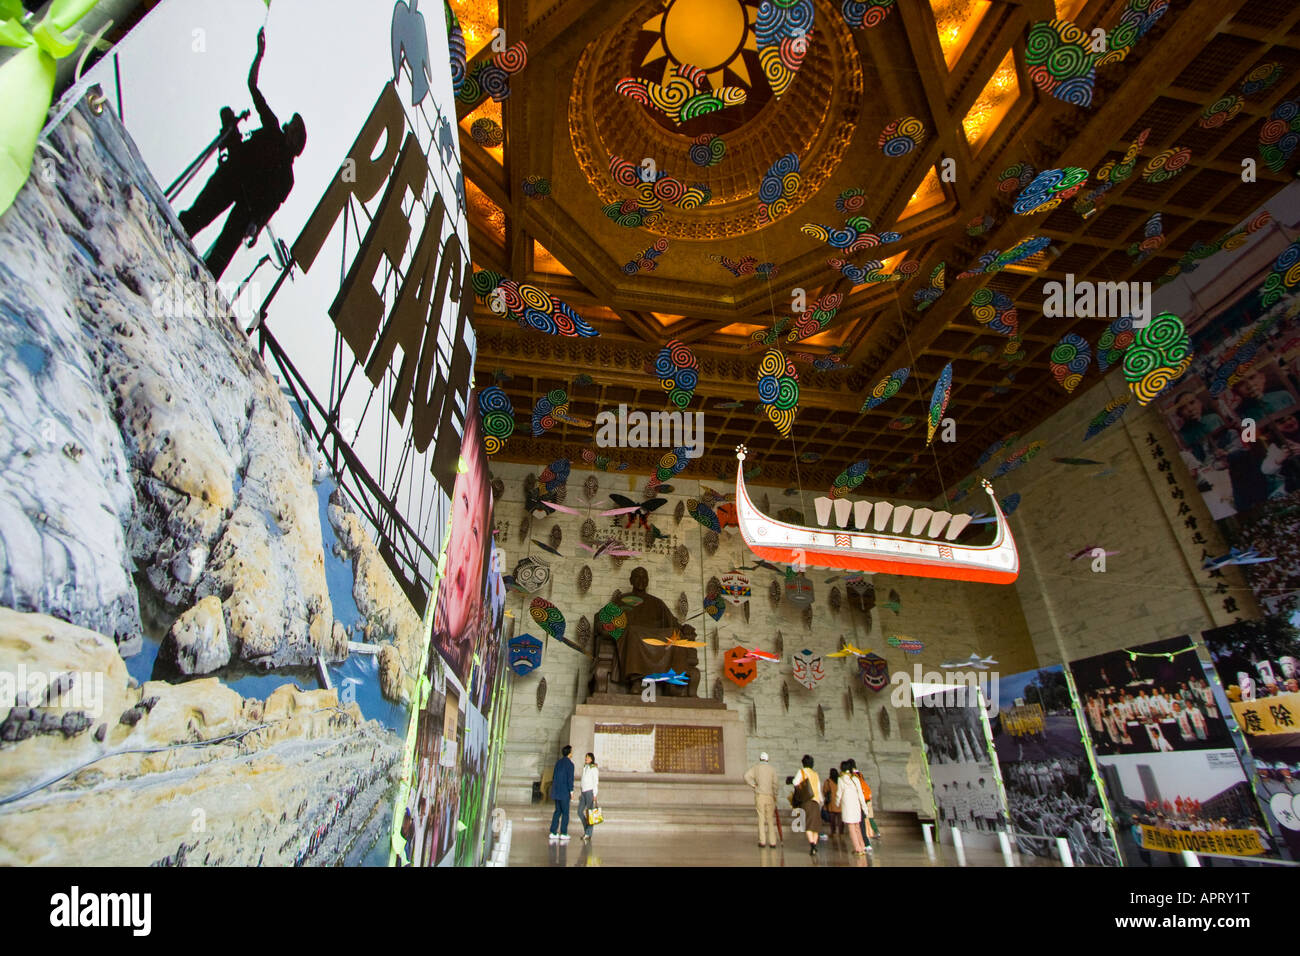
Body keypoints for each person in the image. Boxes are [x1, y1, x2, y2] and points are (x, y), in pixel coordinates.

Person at [178, 27, 307, 279]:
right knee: (195, 218)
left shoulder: (287, 178)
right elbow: (252, 86)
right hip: (232, 178)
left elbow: (271, 207)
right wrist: (259, 56)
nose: (288, 126)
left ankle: (198, 287)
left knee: (219, 257)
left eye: (293, 127)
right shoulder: (272, 127)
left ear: (295, 138)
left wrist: (255, 227)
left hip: (246, 208)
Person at [744, 751, 779, 848]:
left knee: (761, 818)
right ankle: (773, 842)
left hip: (760, 795)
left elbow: (746, 776)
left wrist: (753, 785)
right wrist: (775, 794)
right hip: (770, 796)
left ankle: (762, 841)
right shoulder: (772, 769)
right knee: (770, 819)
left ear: (760, 759)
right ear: (767, 759)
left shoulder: (756, 768)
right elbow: (775, 784)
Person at [791, 755, 822, 856]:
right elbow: (818, 788)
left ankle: (812, 845)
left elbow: (795, 782)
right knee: (815, 826)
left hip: (807, 801)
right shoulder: (815, 774)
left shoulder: (802, 772)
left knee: (808, 824)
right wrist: (821, 801)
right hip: (816, 801)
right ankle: (815, 845)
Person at [838, 761, 871, 856]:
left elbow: (839, 794)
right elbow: (860, 794)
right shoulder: (855, 779)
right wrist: (864, 807)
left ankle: (857, 848)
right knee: (857, 827)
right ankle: (862, 846)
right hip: (857, 807)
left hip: (848, 808)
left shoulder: (841, 780)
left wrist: (837, 803)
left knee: (851, 827)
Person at [549, 745, 575, 843]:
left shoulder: (558, 763)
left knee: (557, 812)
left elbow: (554, 777)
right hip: (564, 792)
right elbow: (570, 779)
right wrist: (571, 791)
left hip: (557, 791)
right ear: (569, 753)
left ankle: (553, 832)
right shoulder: (570, 764)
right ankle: (563, 833)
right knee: (565, 813)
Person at [578, 753, 600, 842]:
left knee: (590, 814)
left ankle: (588, 833)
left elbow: (595, 782)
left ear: (592, 759)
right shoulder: (585, 767)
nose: (586, 758)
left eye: (588, 757)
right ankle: (587, 829)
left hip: (590, 792)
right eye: (585, 757)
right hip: (583, 791)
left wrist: (595, 794)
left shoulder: (593, 768)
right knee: (579, 812)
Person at [823, 767, 843, 839]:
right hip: (840, 803)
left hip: (831, 804)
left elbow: (825, 791)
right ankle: (841, 833)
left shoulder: (828, 781)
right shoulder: (840, 780)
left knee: (832, 819)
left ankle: (833, 832)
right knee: (840, 819)